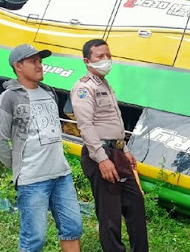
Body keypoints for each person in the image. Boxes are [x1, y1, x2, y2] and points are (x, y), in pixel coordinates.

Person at [0, 44, 82, 252]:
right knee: (35, 239)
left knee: (72, 228)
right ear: (18, 66)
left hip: (61, 175)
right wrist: (19, 167)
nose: (40, 65)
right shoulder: (8, 98)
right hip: (32, 180)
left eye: (40, 61)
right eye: (33, 61)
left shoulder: (49, 93)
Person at [71, 39, 149, 252]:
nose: (106, 60)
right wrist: (102, 159)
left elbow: (112, 123)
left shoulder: (105, 84)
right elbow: (86, 126)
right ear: (87, 61)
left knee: (135, 206)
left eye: (108, 55)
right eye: (100, 56)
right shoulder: (84, 88)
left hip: (117, 152)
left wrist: (125, 150)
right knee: (110, 215)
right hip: (101, 155)